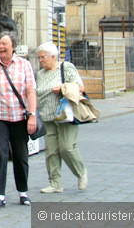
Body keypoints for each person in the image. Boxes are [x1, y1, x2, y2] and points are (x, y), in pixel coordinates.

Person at [0, 31, 37, 209]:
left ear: (13, 46)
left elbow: (31, 92)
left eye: (4, 44)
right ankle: (0, 194)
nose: (0, 47)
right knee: (0, 154)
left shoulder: (24, 65)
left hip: (19, 117)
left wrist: (32, 115)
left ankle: (23, 191)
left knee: (20, 155)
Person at [35, 42, 88, 193]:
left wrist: (62, 88)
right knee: (51, 150)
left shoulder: (66, 68)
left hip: (65, 115)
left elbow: (80, 87)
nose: (41, 60)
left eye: (43, 57)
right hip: (47, 116)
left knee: (66, 148)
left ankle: (81, 172)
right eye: (39, 58)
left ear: (53, 56)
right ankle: (55, 182)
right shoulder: (40, 74)